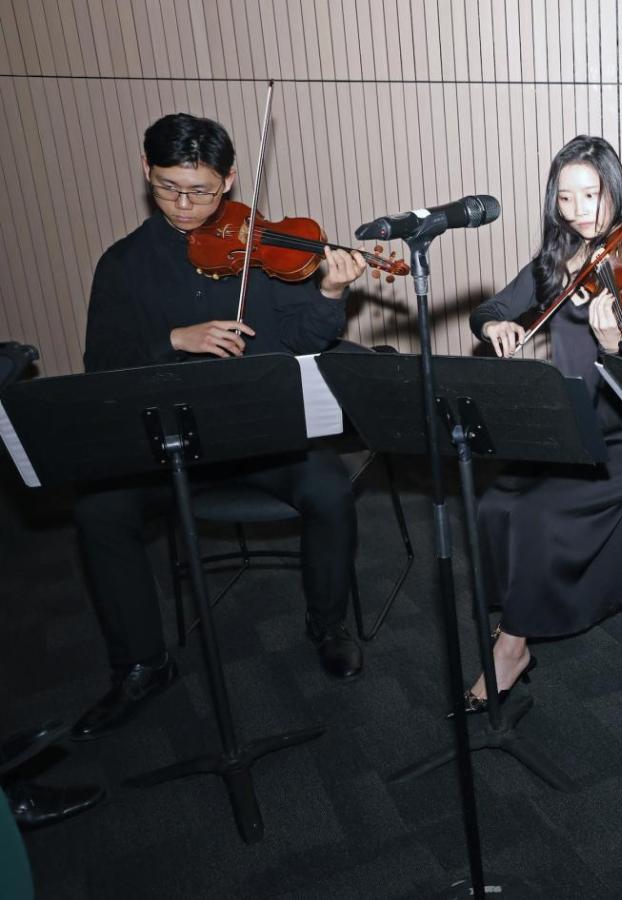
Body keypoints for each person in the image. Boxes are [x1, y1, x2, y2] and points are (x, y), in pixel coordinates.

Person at [70, 113, 367, 741]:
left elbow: (304, 340)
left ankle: (328, 624)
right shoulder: (123, 264)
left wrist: (329, 297)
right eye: (168, 187)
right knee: (99, 510)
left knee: (330, 489)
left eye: (200, 191)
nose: (183, 205)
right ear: (146, 171)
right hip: (168, 445)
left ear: (230, 179)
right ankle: (142, 665)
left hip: (260, 440)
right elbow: (102, 364)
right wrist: (174, 340)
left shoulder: (263, 248)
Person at [464, 135, 622, 711]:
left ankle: (512, 648)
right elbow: (489, 309)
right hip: (569, 427)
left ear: (615, 192)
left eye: (591, 195)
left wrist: (615, 346)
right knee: (492, 503)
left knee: (534, 512)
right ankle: (519, 608)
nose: (578, 211)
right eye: (565, 197)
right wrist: (495, 327)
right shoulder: (554, 263)